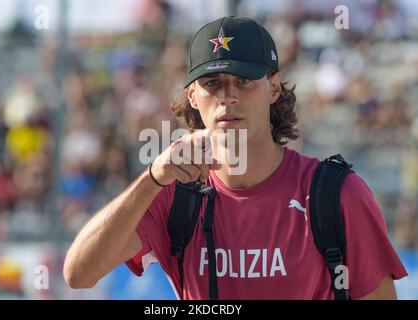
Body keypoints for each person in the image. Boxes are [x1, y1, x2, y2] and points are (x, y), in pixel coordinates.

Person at [63, 16, 407, 299]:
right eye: (212, 83)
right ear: (193, 96)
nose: (227, 96)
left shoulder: (335, 193)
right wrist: (152, 177)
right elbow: (79, 273)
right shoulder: (172, 194)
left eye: (243, 80)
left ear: (274, 88)